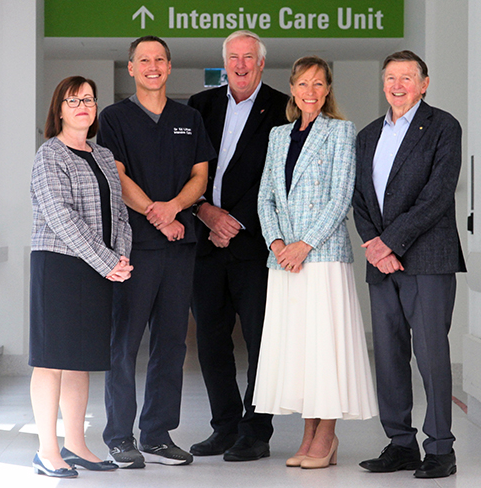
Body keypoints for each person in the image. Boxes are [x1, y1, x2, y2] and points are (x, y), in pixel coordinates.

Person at [253, 56, 378, 470]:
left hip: (320, 257)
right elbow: (265, 195)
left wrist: (303, 245)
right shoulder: (277, 136)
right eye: (303, 83)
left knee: (325, 348)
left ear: (328, 91)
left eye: (318, 84)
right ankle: (308, 433)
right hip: (283, 260)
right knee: (302, 352)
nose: (310, 91)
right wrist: (276, 242)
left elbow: (341, 196)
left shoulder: (341, 131)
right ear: (292, 88)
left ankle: (327, 433)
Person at [97, 36, 215, 468]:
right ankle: (119, 437)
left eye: (159, 59)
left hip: (179, 247)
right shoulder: (114, 118)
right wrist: (155, 212)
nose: (152, 66)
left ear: (169, 66)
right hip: (134, 248)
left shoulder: (189, 118)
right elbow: (117, 174)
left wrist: (175, 208)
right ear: (131, 67)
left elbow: (200, 176)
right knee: (124, 342)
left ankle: (158, 434)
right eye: (143, 59)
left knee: (171, 342)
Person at [352, 50, 466, 479]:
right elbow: (358, 197)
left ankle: (440, 449)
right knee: (389, 356)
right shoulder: (366, 136)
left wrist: (390, 242)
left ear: (424, 83)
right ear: (383, 84)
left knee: (432, 356)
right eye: (390, 78)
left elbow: (438, 195)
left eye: (407, 77)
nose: (397, 85)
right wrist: (373, 244)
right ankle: (400, 444)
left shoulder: (442, 127)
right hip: (382, 264)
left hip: (428, 259)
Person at [187, 30, 289, 462]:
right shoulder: (199, 106)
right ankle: (224, 427)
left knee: (262, 341)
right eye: (234, 57)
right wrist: (206, 212)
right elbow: (185, 169)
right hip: (205, 244)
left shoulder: (282, 107)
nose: (241, 64)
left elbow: (279, 176)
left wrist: (236, 220)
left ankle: (256, 430)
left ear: (261, 63)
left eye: (249, 57)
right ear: (224, 62)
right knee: (211, 341)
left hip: (255, 247)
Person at [29, 76, 133, 478]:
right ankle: (46, 451)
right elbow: (61, 216)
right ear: (59, 110)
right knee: (51, 361)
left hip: (100, 266)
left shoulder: (104, 156)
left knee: (80, 362)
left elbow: (120, 213)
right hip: (60, 265)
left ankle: (76, 445)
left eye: (88, 99)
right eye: (73, 100)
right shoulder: (49, 155)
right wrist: (105, 259)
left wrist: (120, 256)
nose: (82, 106)